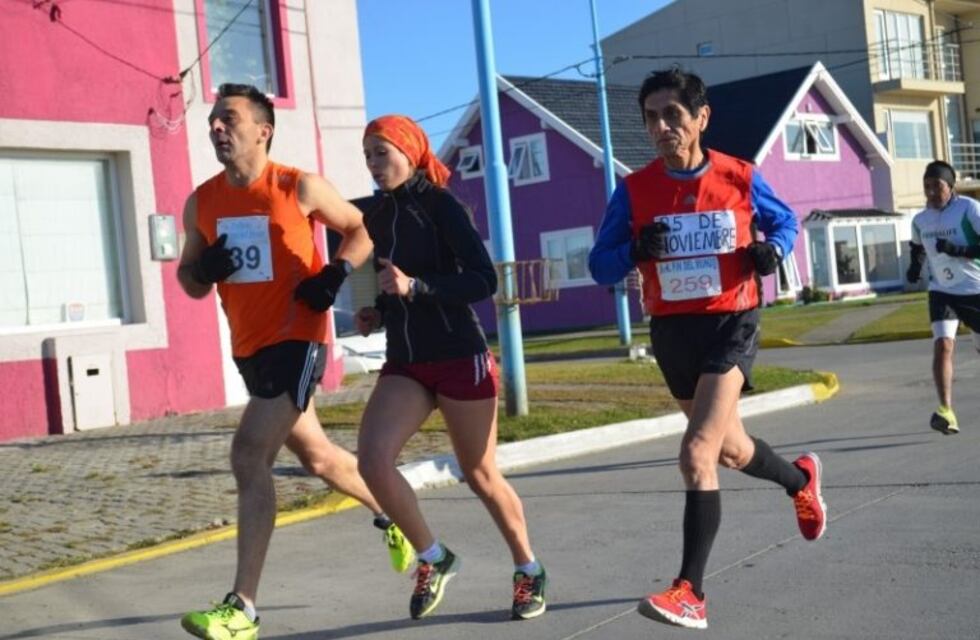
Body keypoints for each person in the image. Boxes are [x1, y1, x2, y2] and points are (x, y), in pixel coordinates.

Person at [588, 68, 827, 630]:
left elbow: (785, 222)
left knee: (696, 452)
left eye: (673, 114)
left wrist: (772, 249)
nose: (662, 127)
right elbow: (600, 264)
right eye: (651, 117)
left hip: (731, 323)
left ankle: (690, 590)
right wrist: (634, 248)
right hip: (674, 333)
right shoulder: (635, 189)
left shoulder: (739, 176)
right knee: (730, 451)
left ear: (701, 117)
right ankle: (801, 480)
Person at [176, 84, 413, 640]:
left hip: (299, 339)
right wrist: (203, 269)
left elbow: (360, 228)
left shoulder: (297, 185)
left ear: (263, 129)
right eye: (212, 120)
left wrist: (333, 275)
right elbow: (188, 281)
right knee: (321, 460)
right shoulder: (201, 201)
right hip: (249, 347)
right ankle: (401, 521)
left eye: (228, 118)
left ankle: (244, 609)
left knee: (248, 455)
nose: (216, 128)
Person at [353, 115, 547, 622]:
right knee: (371, 461)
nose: (374, 164)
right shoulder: (375, 215)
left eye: (382, 152)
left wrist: (417, 288)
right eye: (368, 155)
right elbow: (388, 280)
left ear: (411, 150)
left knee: (481, 474)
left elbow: (483, 281)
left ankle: (528, 569)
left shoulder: (441, 205)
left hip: (461, 357)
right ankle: (434, 558)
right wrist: (379, 308)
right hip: (407, 361)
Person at [906, 160, 980, 435]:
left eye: (937, 186)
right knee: (943, 345)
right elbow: (918, 246)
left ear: (951, 186)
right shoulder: (920, 219)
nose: (931, 192)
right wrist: (914, 267)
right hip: (942, 291)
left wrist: (956, 249)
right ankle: (946, 411)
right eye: (927, 187)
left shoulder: (968, 209)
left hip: (975, 290)